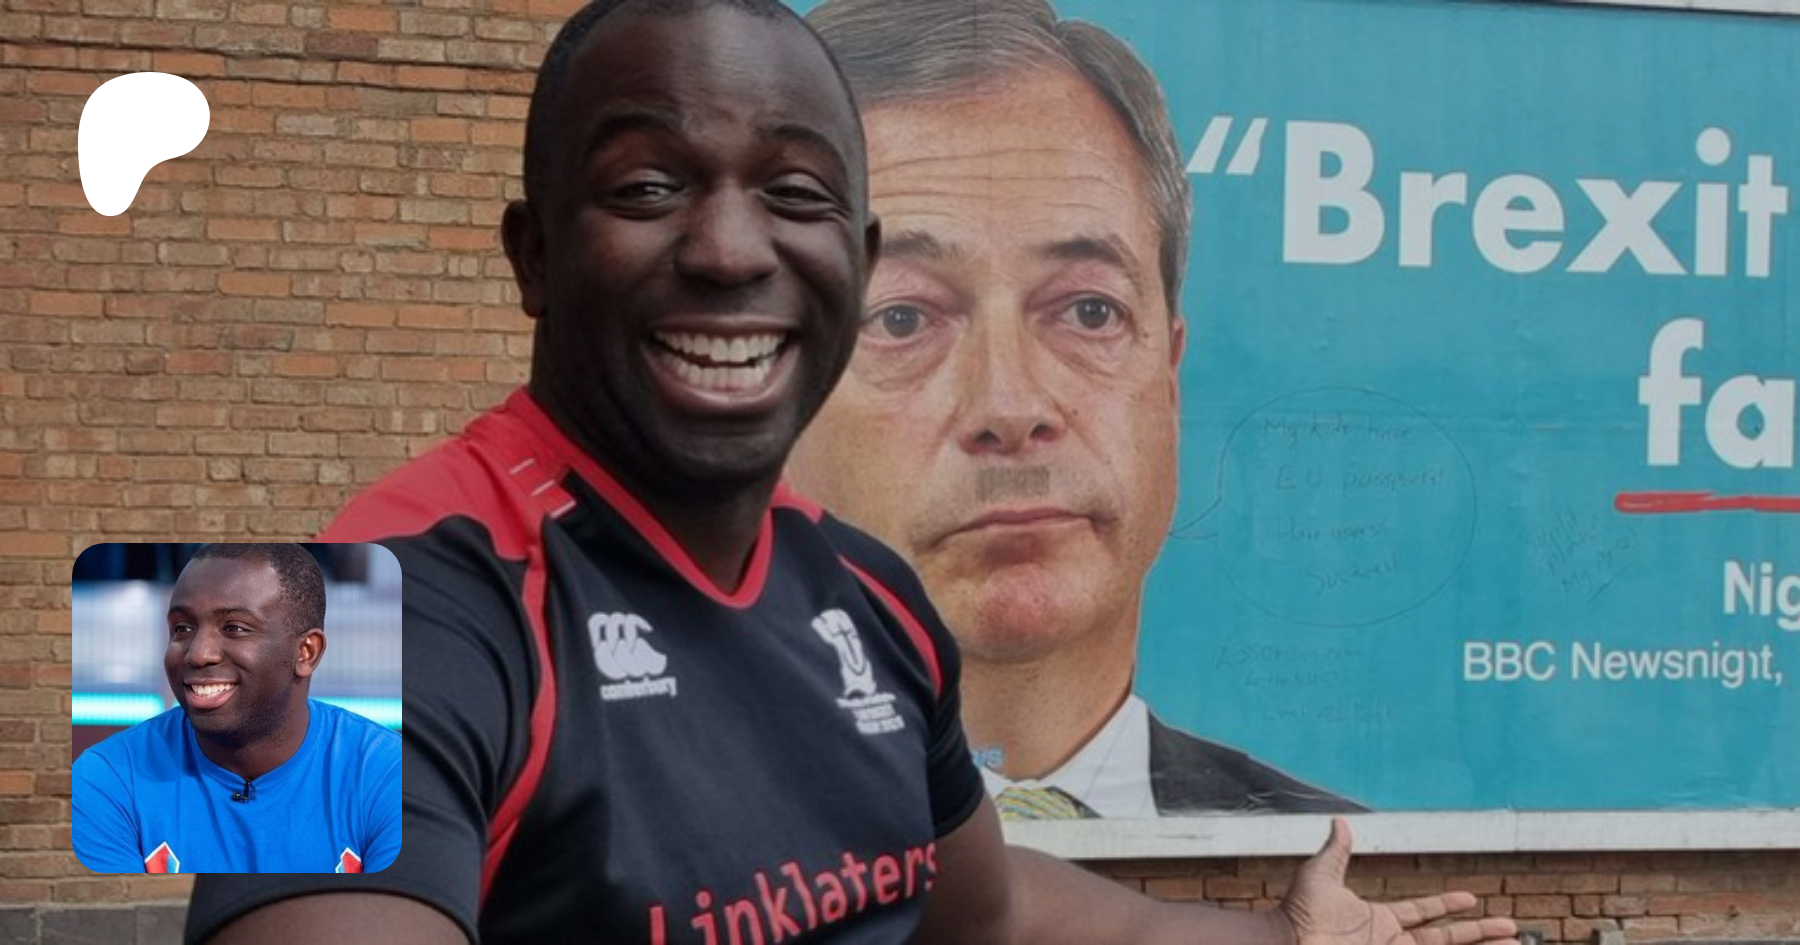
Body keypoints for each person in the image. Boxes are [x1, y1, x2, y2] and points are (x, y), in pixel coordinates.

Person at [185, 2, 1516, 942]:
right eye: (648, 188)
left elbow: (988, 909)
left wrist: (1282, 940)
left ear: (850, 258)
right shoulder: (341, 608)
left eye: (796, 195)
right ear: (533, 255)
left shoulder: (867, 594)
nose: (730, 249)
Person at [786, 0, 1359, 819]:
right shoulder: (637, 847)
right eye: (901, 318)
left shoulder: (1329, 847)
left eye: (1090, 311)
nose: (1012, 406)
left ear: (1169, 378)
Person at [72, 543, 402, 873]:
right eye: (182, 628)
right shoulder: (110, 777)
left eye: (234, 628)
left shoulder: (388, 773)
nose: (198, 654)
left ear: (306, 652)